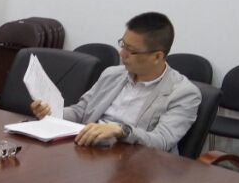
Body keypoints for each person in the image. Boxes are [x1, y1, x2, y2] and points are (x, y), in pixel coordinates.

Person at [31, 12, 201, 153]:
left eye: (131, 51)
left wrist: (121, 130)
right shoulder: (112, 74)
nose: (122, 54)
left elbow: (162, 141)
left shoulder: (183, 93)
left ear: (157, 56)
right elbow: (81, 111)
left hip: (136, 165)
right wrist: (54, 114)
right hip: (88, 149)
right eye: (123, 45)